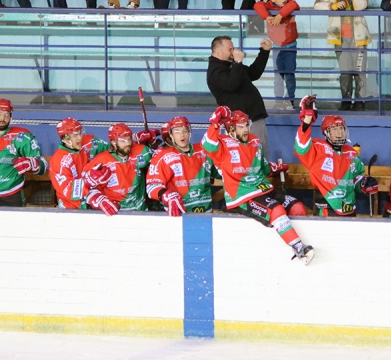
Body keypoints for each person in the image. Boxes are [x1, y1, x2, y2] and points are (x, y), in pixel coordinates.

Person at [201, 106, 313, 264]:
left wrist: (273, 168)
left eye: (247, 125)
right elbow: (207, 145)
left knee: (298, 207)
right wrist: (215, 123)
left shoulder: (254, 141)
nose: (246, 129)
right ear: (231, 129)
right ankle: (298, 247)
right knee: (276, 210)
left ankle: (302, 239)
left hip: (264, 189)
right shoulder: (222, 143)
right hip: (243, 196)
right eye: (241, 126)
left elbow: (263, 167)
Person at [294, 96, 378, 216]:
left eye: (341, 128)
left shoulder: (352, 153)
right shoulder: (318, 149)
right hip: (327, 209)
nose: (339, 133)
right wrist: (307, 120)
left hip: (349, 209)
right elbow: (301, 147)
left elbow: (355, 180)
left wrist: (364, 183)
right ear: (326, 132)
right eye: (334, 129)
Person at [315, 0, 371, 111]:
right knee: (345, 72)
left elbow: (362, 6)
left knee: (359, 71)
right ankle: (346, 101)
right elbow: (317, 4)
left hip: (359, 39)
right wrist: (331, 6)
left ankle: (360, 101)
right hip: (340, 38)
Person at [206, 35, 273, 157]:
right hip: (238, 124)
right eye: (230, 49)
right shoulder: (215, 71)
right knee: (245, 156)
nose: (234, 51)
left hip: (254, 117)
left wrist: (264, 52)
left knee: (260, 154)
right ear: (218, 52)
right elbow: (231, 85)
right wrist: (237, 63)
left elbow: (254, 73)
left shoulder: (232, 66)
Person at [145, 116, 217, 215]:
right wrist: (165, 195)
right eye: (177, 131)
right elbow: (152, 186)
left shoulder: (204, 151)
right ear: (171, 135)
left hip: (206, 213)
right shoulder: (163, 157)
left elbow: (223, 172)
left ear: (190, 132)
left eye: (185, 131)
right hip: (178, 213)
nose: (182, 135)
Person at [81, 123, 156, 215]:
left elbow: (162, 161)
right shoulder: (101, 161)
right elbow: (84, 186)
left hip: (142, 213)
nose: (128, 143)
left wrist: (154, 145)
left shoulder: (142, 151)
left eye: (129, 138)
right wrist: (99, 199)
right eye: (123, 140)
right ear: (113, 142)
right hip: (115, 214)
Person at [48, 118, 111, 209]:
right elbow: (68, 190)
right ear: (65, 138)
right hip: (71, 208)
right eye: (75, 135)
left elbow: (113, 150)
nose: (80, 138)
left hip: (92, 201)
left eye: (80, 133)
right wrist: (88, 181)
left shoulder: (90, 142)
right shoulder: (58, 160)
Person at [254, 0, 299, 110]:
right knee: (278, 75)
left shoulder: (290, 4)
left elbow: (294, 5)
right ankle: (278, 100)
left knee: (289, 75)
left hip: (290, 47)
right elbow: (258, 5)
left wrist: (280, 15)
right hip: (277, 47)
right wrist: (267, 16)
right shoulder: (268, 6)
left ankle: (290, 100)